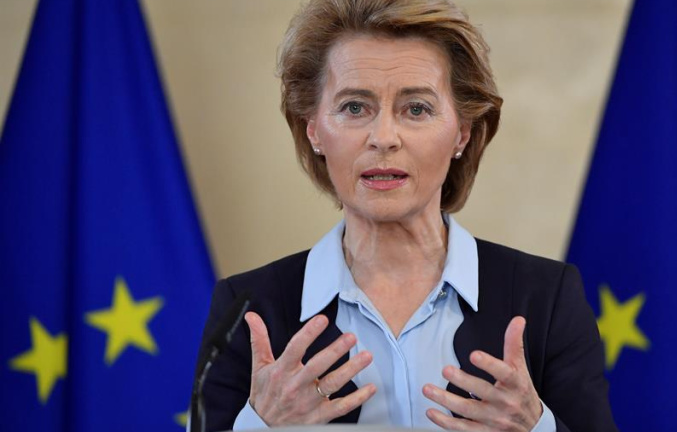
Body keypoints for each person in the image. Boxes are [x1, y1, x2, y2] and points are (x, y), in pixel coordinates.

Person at [194, 0, 617, 431]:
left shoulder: (547, 298)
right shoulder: (246, 308)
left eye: (416, 109)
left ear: (462, 133)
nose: (383, 138)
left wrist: (536, 427)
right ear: (314, 129)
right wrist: (261, 426)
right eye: (354, 107)